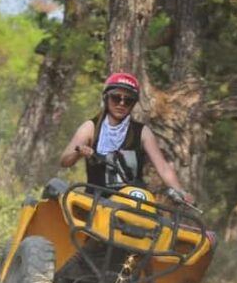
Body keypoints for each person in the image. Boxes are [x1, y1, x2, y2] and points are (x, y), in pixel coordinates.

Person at [60, 72, 193, 203]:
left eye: (128, 100)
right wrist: (79, 152)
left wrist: (180, 191)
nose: (121, 103)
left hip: (132, 204)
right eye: (116, 98)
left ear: (133, 104)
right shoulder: (90, 128)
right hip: (96, 203)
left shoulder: (142, 132)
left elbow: (163, 167)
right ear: (106, 98)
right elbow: (65, 161)